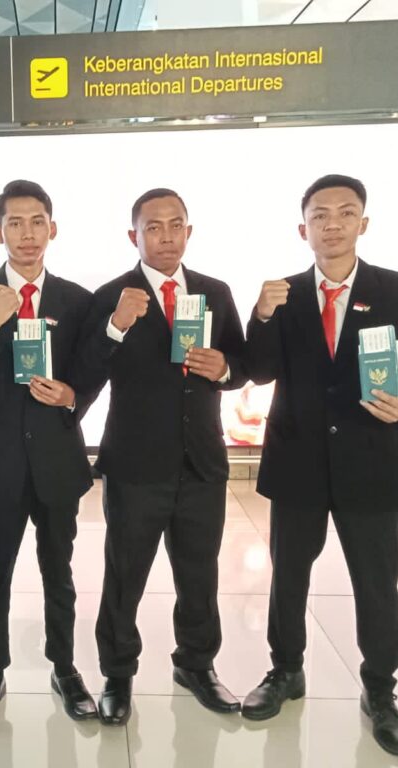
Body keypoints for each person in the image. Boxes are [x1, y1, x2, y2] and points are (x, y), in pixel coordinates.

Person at [241, 174, 398, 759]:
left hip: (372, 462)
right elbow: (258, 370)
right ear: (302, 228)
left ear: (363, 223)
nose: (332, 224)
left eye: (345, 213)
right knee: (288, 578)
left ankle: (380, 691)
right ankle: (285, 670)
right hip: (298, 460)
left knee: (376, 583)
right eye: (320, 215)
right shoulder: (282, 296)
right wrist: (260, 316)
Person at [75, 188, 246, 725]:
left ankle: (196, 664)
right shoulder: (110, 296)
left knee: (200, 573)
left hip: (202, 463)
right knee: (124, 576)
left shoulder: (215, 293)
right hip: (136, 464)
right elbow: (85, 372)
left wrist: (223, 369)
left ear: (188, 232)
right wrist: (115, 326)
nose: (166, 236)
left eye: (176, 226)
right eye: (153, 227)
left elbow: (240, 364)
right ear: (134, 236)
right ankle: (117, 674)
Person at [0, 180, 98, 731]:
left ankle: (65, 668)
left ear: (52, 229)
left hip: (56, 459)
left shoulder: (77, 300)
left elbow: (89, 374)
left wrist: (72, 395)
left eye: (37, 222)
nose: (27, 234)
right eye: (14, 223)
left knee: (60, 571)